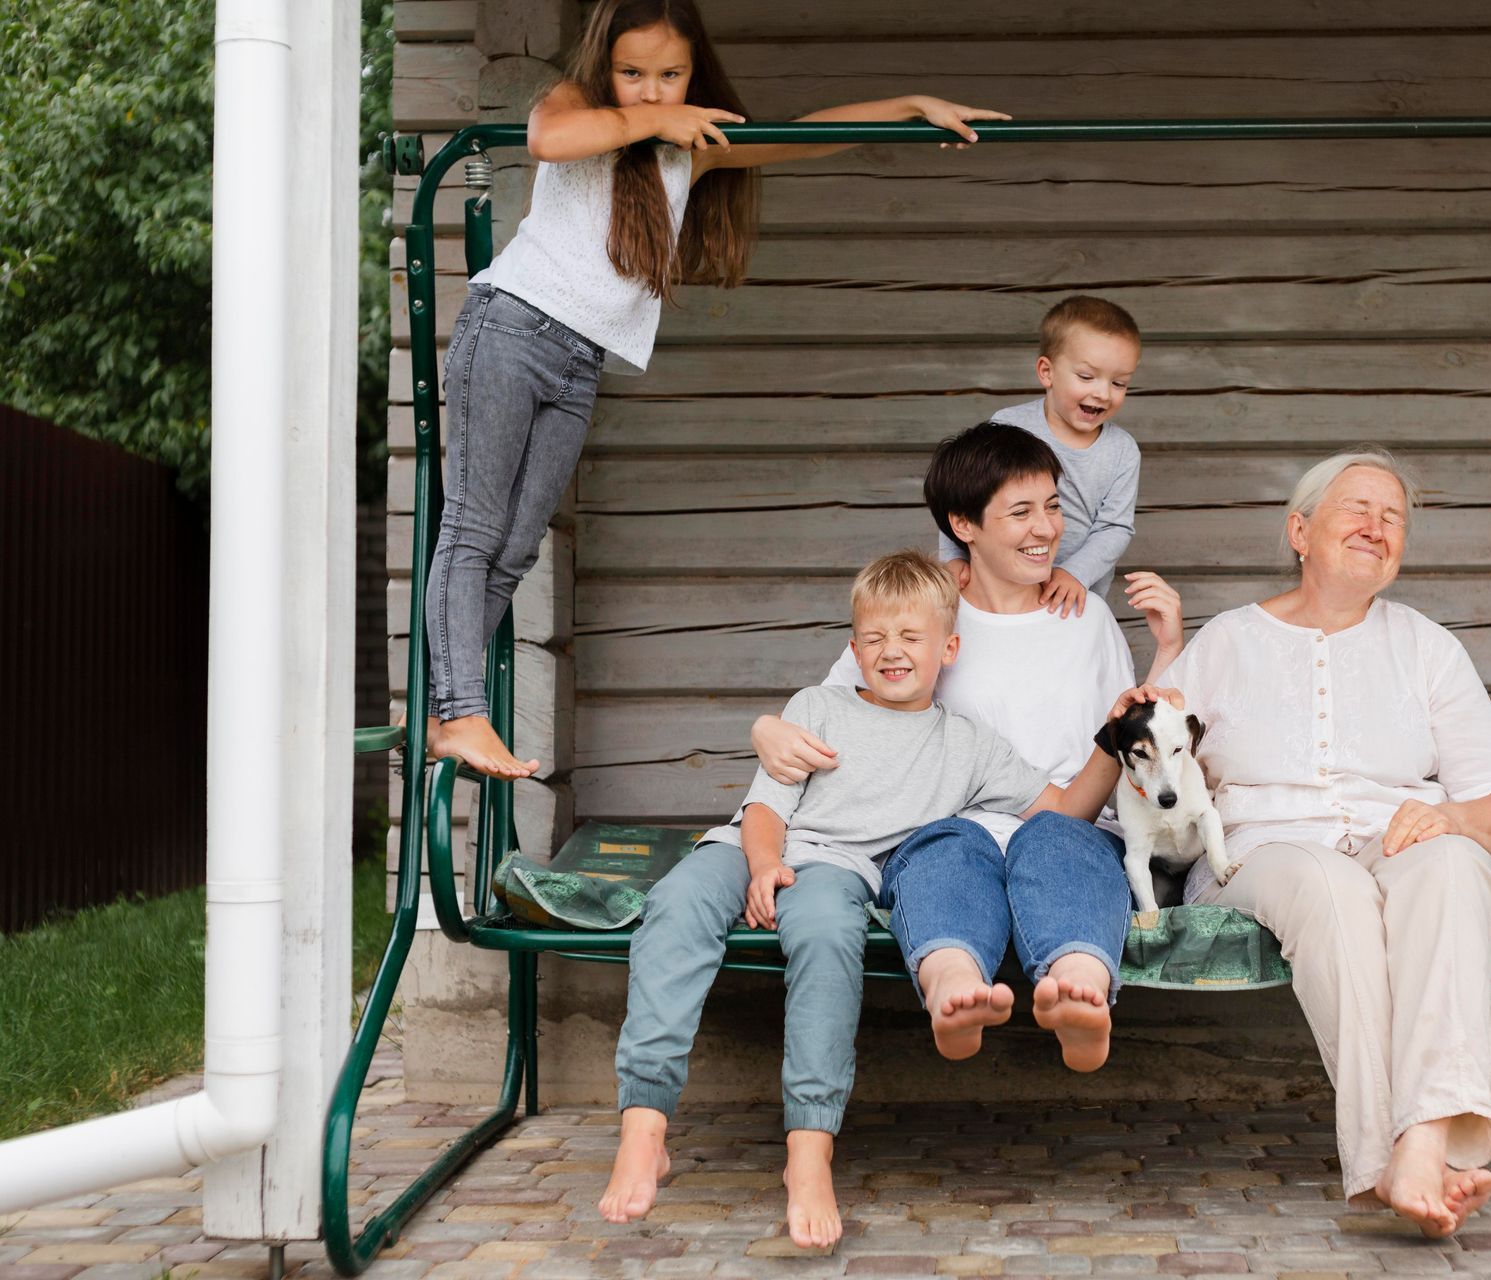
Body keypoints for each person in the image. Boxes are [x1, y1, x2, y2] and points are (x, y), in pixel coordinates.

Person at [423, 0, 1008, 777]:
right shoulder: (577, 105)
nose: (652, 91)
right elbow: (548, 139)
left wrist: (909, 106)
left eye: (670, 76)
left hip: (577, 362)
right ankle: (459, 710)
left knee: (514, 545)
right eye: (633, 74)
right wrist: (652, 117)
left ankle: (444, 704)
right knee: (472, 527)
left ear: (694, 72)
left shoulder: (685, 153)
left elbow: (802, 134)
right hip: (509, 332)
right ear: (605, 67)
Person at [597, 550, 1150, 1247]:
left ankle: (809, 1151)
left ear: (948, 648)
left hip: (838, 871)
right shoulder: (818, 707)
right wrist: (763, 866)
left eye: (911, 638)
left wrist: (1113, 736)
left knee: (828, 941)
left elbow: (1064, 809)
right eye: (876, 639)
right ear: (853, 647)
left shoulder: (968, 745)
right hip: (749, 848)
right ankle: (644, 1128)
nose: (892, 653)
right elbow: (764, 808)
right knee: (673, 912)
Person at [1161, 448, 1491, 1239]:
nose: (1376, 527)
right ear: (1299, 531)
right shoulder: (1228, 642)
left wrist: (1456, 822)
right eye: (1356, 509)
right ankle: (1388, 1153)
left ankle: (1423, 1142)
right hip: (1260, 852)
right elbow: (1154, 772)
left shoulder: (1428, 648)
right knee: (1330, 887)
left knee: (1453, 866)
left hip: (1389, 841)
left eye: (1392, 517)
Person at [752, 423, 1187, 1073]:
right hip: (946, 834)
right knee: (946, 846)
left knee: (1057, 842)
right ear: (964, 524)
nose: (1045, 528)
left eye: (1052, 506)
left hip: (1068, 827)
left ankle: (1083, 996)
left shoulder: (1086, 621)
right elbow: (832, 710)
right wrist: (766, 727)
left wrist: (1139, 704)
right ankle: (953, 990)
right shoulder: (927, 616)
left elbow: (1124, 764)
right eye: (1020, 512)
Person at [937, 295, 1143, 619]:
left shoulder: (1122, 451)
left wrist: (1075, 573)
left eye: (1119, 383)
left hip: (1067, 601)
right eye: (1087, 377)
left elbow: (1115, 528)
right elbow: (965, 495)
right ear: (1047, 372)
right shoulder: (1009, 425)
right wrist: (952, 557)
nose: (1103, 393)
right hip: (998, 591)